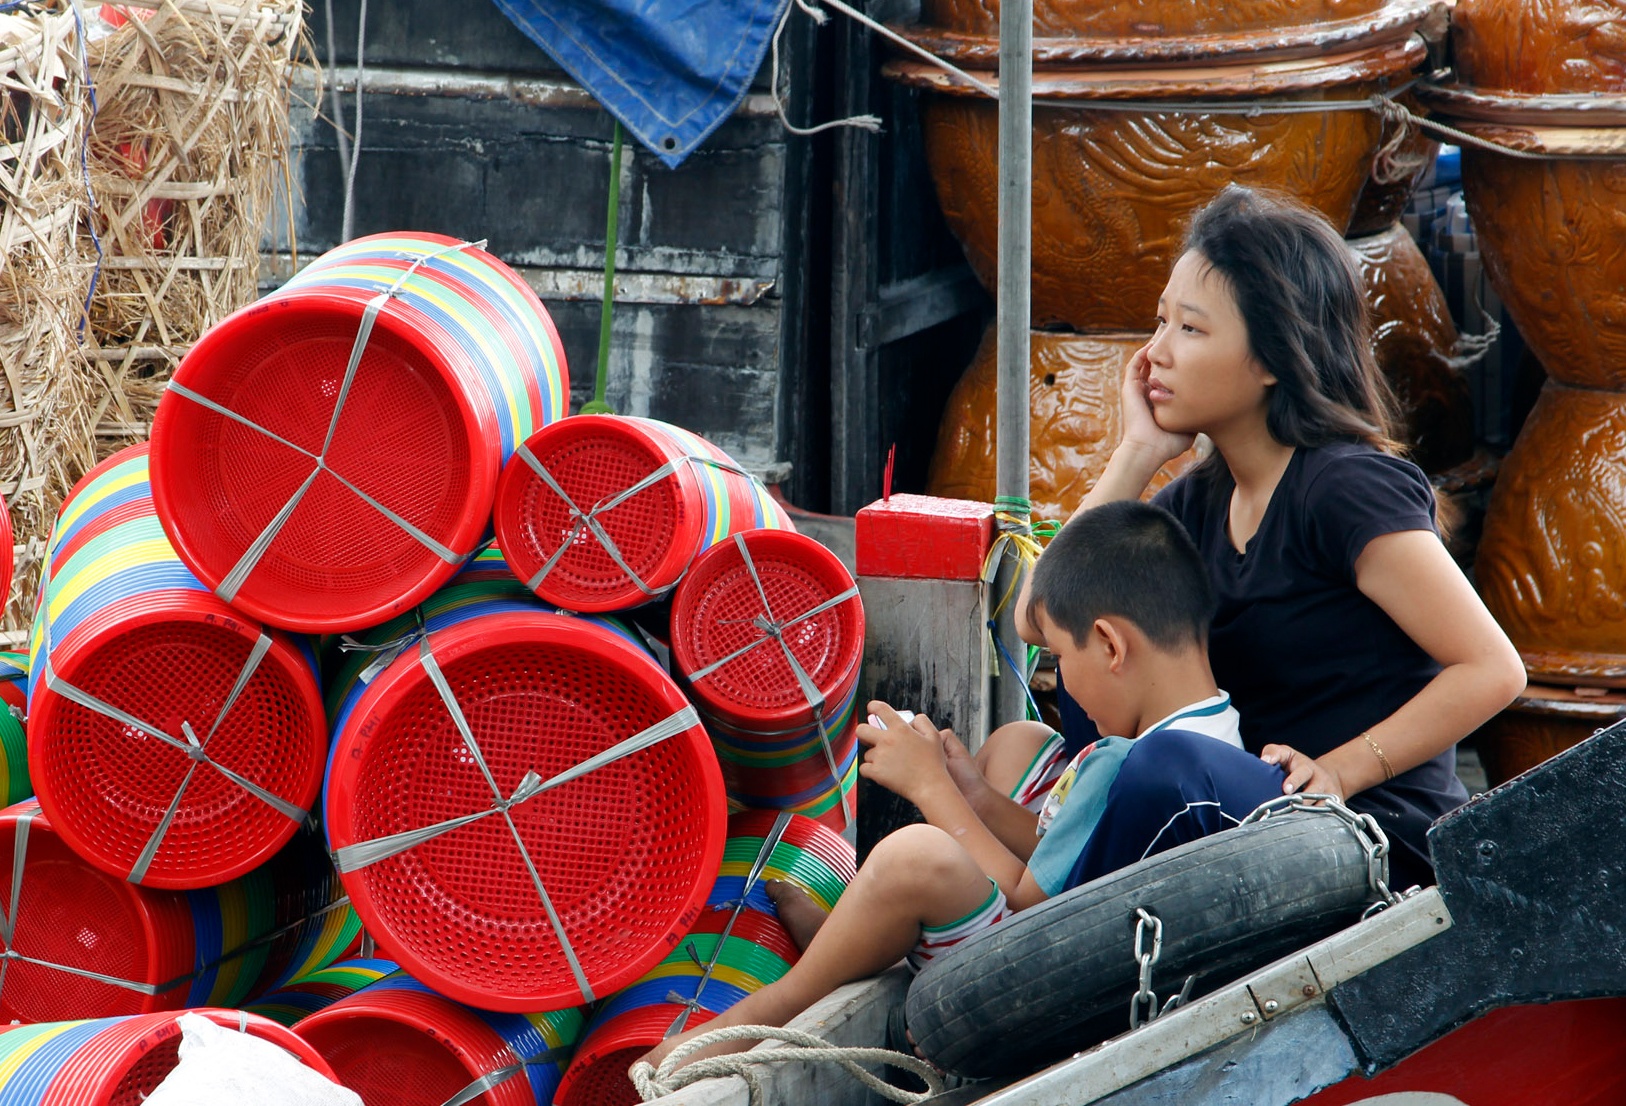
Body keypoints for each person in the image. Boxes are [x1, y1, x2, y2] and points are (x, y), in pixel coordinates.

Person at [633, 501, 1287, 1077]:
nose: (1063, 678)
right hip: (1088, 925)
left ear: (1112, 646)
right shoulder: (1212, 736)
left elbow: (1034, 903)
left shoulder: (1133, 765)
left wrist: (933, 791)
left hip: (1039, 985)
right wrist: (974, 794)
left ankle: (761, 1015)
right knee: (1018, 743)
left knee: (915, 858)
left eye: (1061, 657)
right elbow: (1060, 848)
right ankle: (857, 932)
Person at [994, 184, 1526, 891]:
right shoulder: (1197, 502)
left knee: (1164, 766)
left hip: (1367, 836)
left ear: (1273, 356)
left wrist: (1341, 770)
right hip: (1254, 823)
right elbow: (1040, 618)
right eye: (1159, 324)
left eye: (1190, 329)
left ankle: (1016, 910)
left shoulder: (1344, 488)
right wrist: (1138, 452)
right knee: (1023, 745)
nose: (1155, 355)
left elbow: (1493, 669)